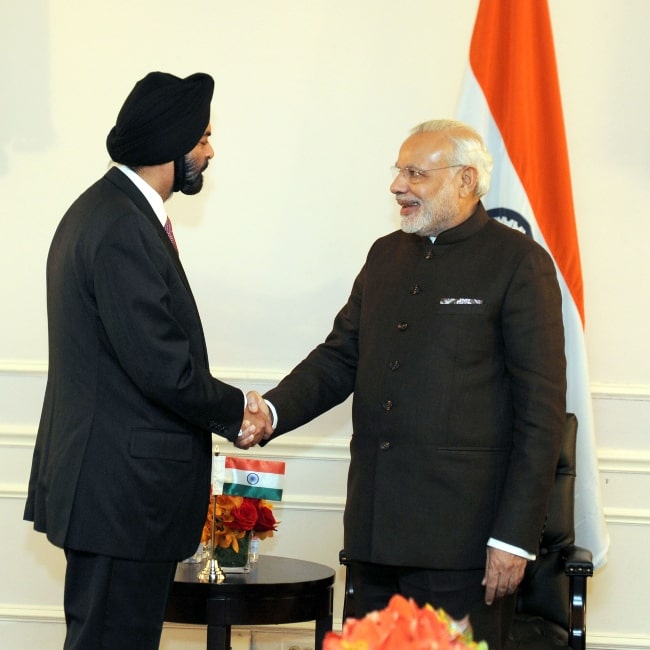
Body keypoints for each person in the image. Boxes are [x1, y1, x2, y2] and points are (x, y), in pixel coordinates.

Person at [248, 119, 567, 649]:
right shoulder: (384, 255)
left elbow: (541, 414)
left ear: (466, 181)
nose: (398, 185)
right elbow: (338, 359)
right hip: (376, 535)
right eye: (399, 171)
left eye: (416, 173)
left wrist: (513, 537)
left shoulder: (519, 263)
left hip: (464, 545)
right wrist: (270, 414)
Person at [24, 71, 272, 650]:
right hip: (121, 497)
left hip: (114, 493)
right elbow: (163, 366)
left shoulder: (107, 212)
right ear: (170, 145)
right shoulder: (118, 226)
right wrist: (239, 410)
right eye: (203, 138)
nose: (210, 152)